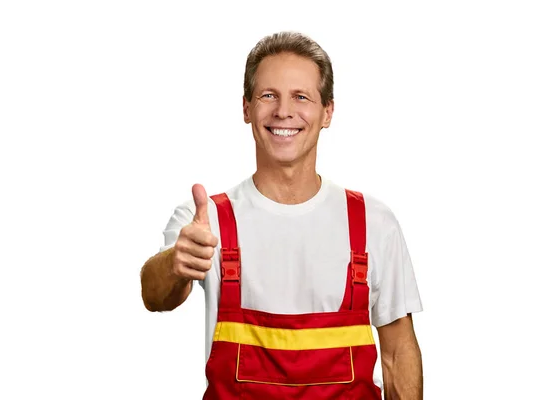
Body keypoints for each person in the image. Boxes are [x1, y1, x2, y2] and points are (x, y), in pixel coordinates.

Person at [140, 31, 423, 399]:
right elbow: (154, 295)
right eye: (268, 95)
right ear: (246, 108)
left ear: (327, 112)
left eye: (301, 97)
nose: (283, 111)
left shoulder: (373, 223)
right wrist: (175, 265)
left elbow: (398, 352)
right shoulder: (207, 220)